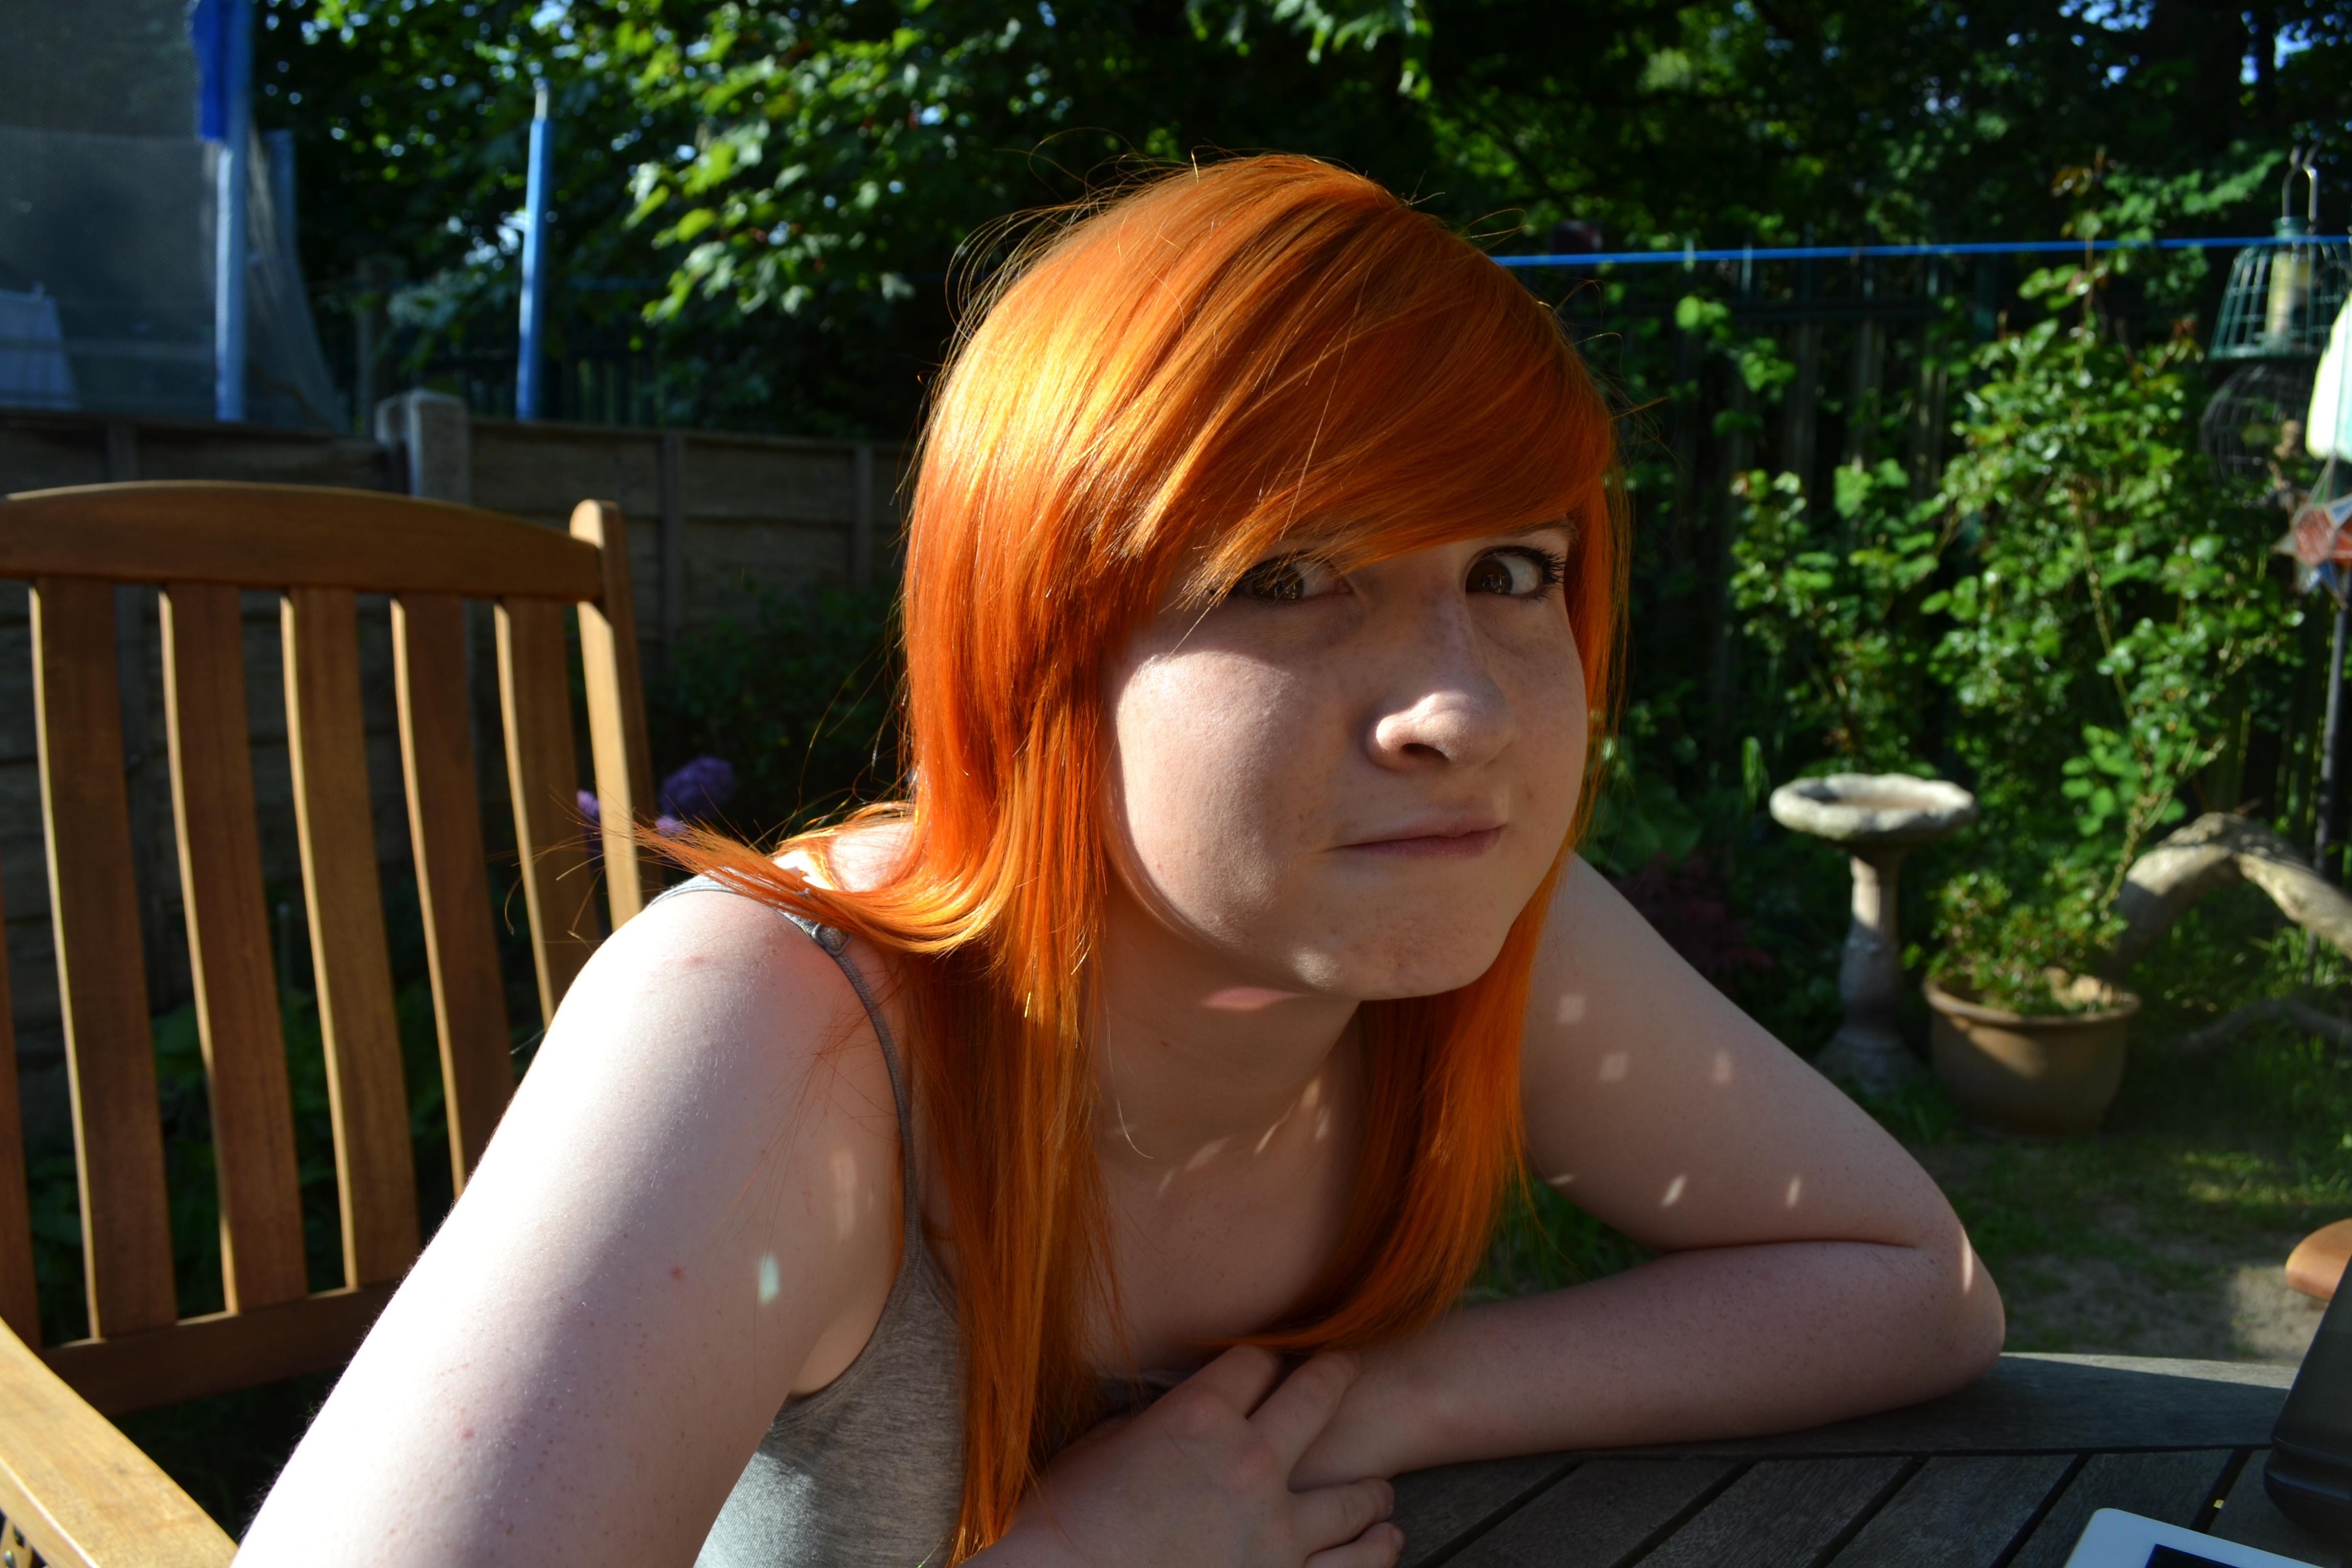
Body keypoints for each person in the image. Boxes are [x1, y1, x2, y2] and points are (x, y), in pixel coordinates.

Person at [239, 155, 2003, 1568]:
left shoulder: (1463, 911)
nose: (1464, 711)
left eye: (1512, 571)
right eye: (1289, 579)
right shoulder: (778, 1034)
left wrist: (1350, 1408)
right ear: (1039, 645)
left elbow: (1910, 1286)